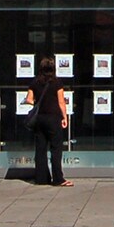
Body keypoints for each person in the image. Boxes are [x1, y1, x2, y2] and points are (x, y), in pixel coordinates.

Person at [22, 55, 73, 187]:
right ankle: (58, 179)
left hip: (39, 118)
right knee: (56, 149)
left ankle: (41, 178)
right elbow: (61, 102)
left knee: (40, 148)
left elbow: (29, 100)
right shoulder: (57, 82)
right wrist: (65, 117)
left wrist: (37, 101)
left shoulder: (35, 82)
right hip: (53, 118)